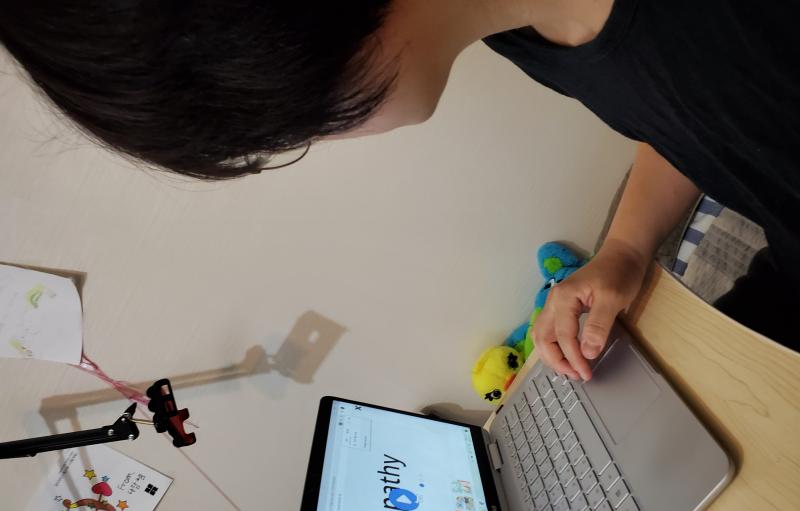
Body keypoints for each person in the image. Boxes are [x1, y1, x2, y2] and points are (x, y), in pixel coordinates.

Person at [2, 0, 799, 373]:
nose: (320, 141)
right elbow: (701, 114)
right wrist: (624, 247)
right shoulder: (518, 25)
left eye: (292, 127)